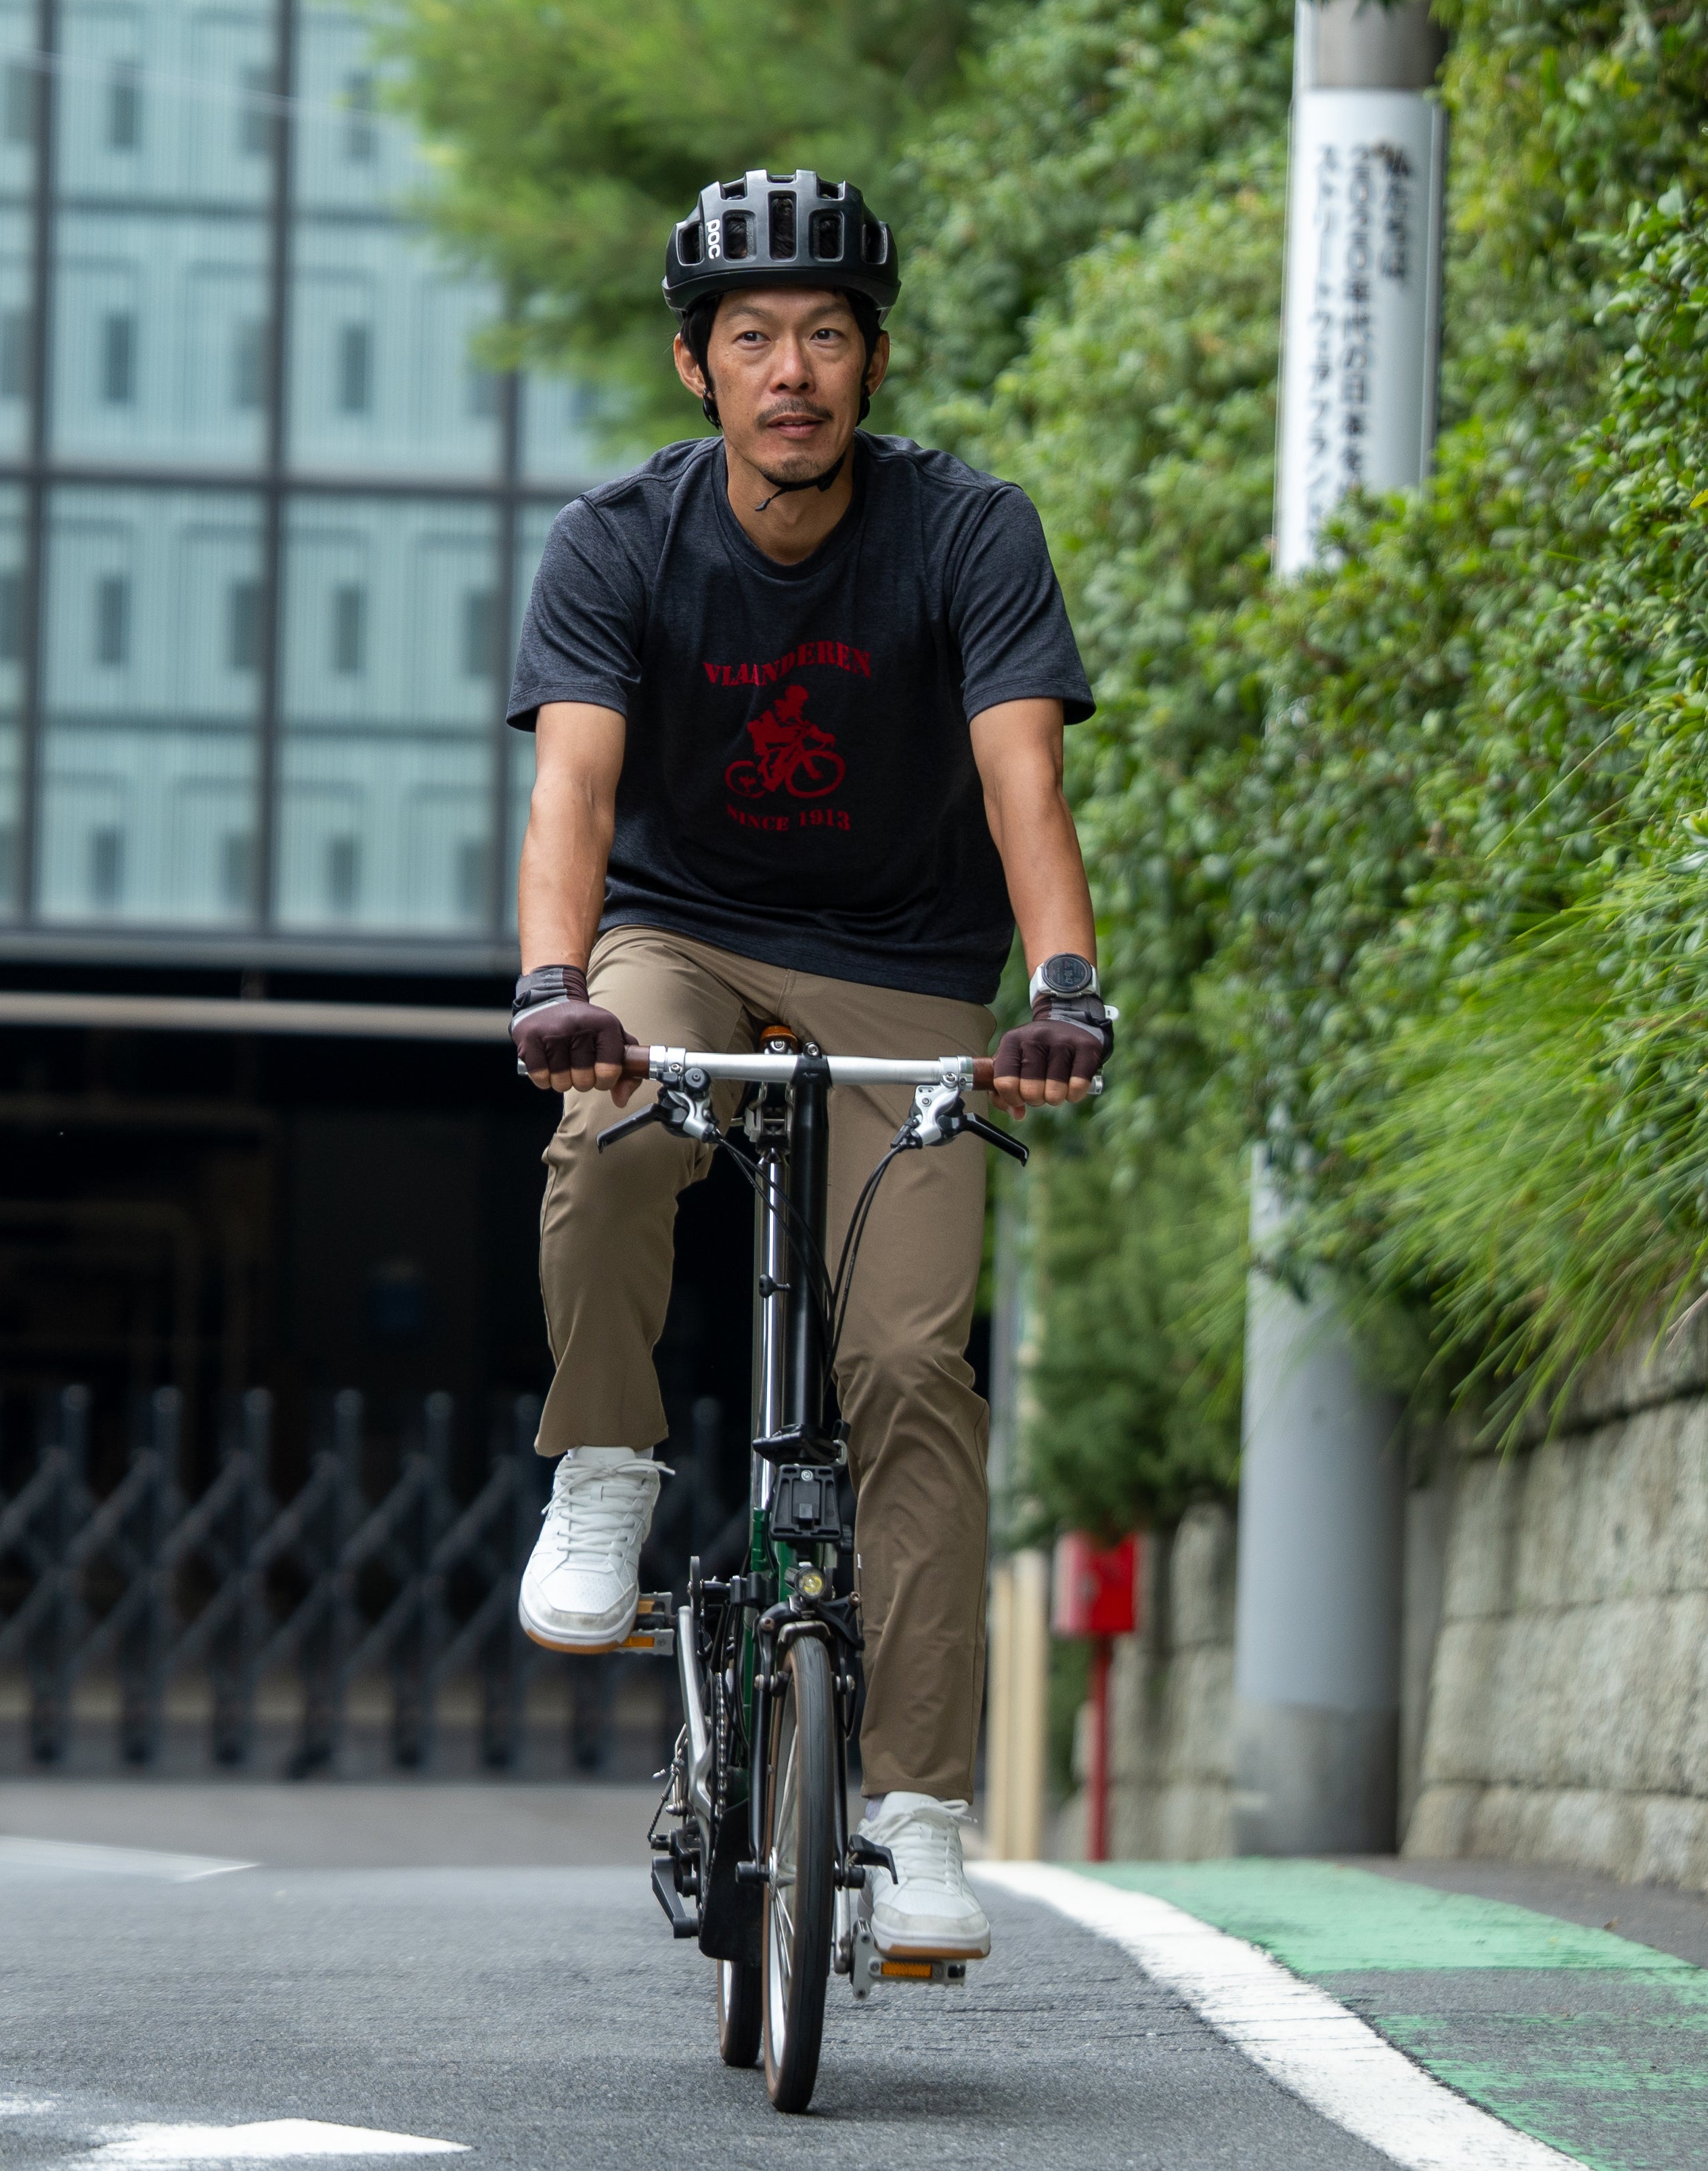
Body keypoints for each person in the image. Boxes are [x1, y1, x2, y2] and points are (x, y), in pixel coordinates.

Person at [501, 169, 1110, 1965]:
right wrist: (555, 984)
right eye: (753, 337)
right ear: (696, 367)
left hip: (904, 967)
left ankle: (915, 1819)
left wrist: (1065, 990)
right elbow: (574, 791)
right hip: (678, 932)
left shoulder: (966, 533)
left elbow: (1021, 779)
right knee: (612, 1132)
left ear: (873, 361)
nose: (791, 372)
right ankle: (606, 1467)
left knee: (911, 1364)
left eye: (826, 335)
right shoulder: (617, 541)